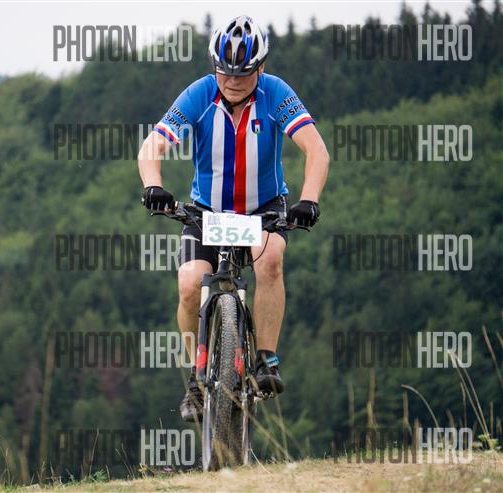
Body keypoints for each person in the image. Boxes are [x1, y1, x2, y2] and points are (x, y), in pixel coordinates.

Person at [137, 15, 329, 422]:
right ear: (214, 67)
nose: (233, 81)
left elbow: (316, 150)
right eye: (225, 72)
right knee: (189, 284)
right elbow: (152, 146)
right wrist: (153, 185)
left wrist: (309, 200)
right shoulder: (199, 94)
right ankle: (196, 376)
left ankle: (266, 359)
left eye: (243, 73)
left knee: (270, 259)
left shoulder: (276, 94)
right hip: (206, 211)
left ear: (261, 68)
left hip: (264, 210)